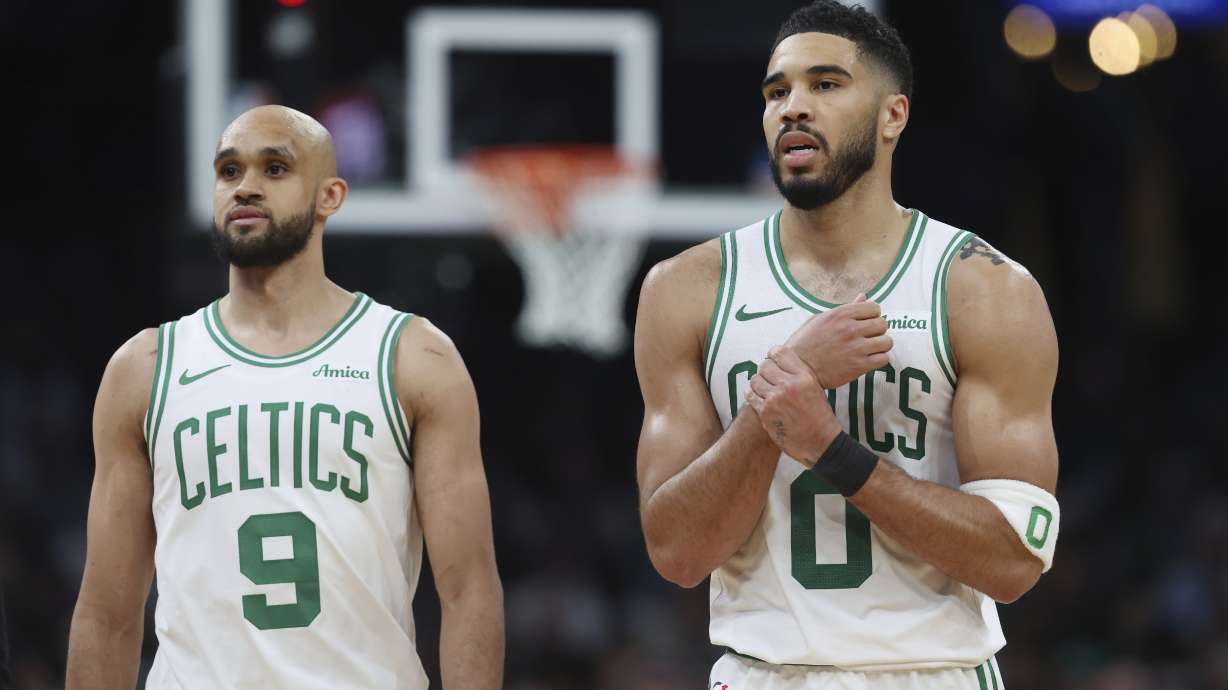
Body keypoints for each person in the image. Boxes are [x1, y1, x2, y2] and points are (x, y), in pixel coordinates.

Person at [634, 2, 1060, 688]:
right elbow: (677, 552)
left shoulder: (983, 290)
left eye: (825, 85)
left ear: (893, 116)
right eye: (778, 92)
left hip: (935, 670)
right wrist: (774, 407)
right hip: (763, 671)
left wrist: (830, 448)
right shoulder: (685, 289)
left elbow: (1011, 564)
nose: (793, 108)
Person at [65, 105, 504, 689]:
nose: (245, 186)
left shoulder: (411, 356)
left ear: (330, 196)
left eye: (275, 168)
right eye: (228, 170)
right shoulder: (144, 367)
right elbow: (106, 614)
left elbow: (469, 590)